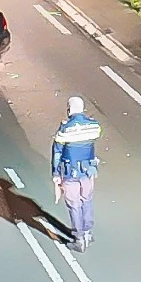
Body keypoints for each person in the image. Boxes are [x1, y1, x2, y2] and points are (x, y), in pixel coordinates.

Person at [50, 95, 102, 247]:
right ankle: (88, 232)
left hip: (70, 172)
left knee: (74, 203)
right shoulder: (94, 125)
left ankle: (79, 239)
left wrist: (55, 174)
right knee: (87, 200)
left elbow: (57, 152)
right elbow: (96, 136)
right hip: (88, 171)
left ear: (69, 110)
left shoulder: (65, 129)